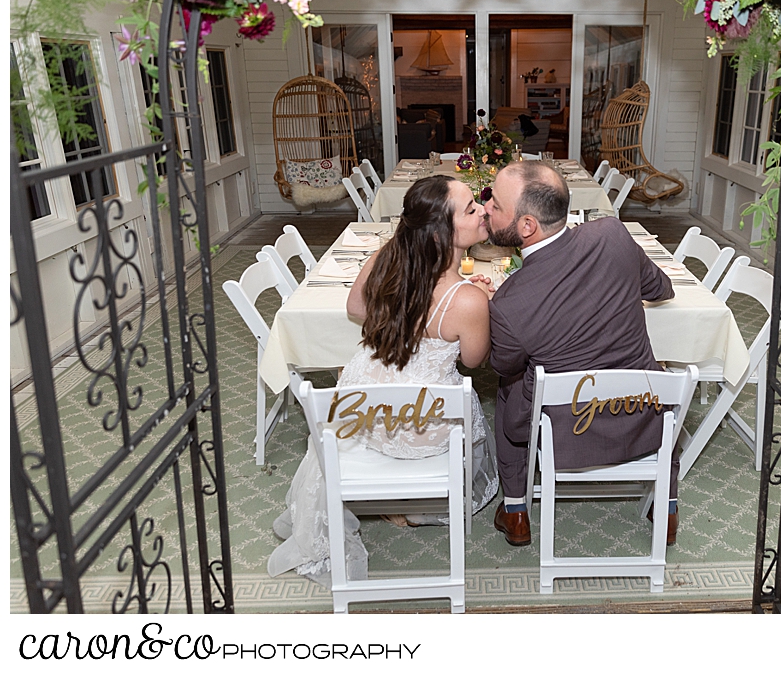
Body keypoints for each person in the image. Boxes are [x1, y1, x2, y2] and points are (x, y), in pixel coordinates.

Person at [268, 175, 499, 587]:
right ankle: (404, 500)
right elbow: (474, 361)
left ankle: (381, 497)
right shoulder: (466, 299)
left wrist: (399, 319)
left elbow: (356, 306)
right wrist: (483, 304)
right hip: (421, 426)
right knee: (472, 412)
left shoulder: (388, 256)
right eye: (471, 208)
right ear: (443, 231)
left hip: (362, 417)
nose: (483, 209)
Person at [482, 161, 678, 547]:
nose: (485, 207)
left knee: (508, 383)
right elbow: (661, 288)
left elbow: (503, 363)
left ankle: (516, 509)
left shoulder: (508, 302)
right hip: (641, 416)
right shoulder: (612, 233)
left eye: (495, 204)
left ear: (526, 227)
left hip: (566, 429)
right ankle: (667, 510)